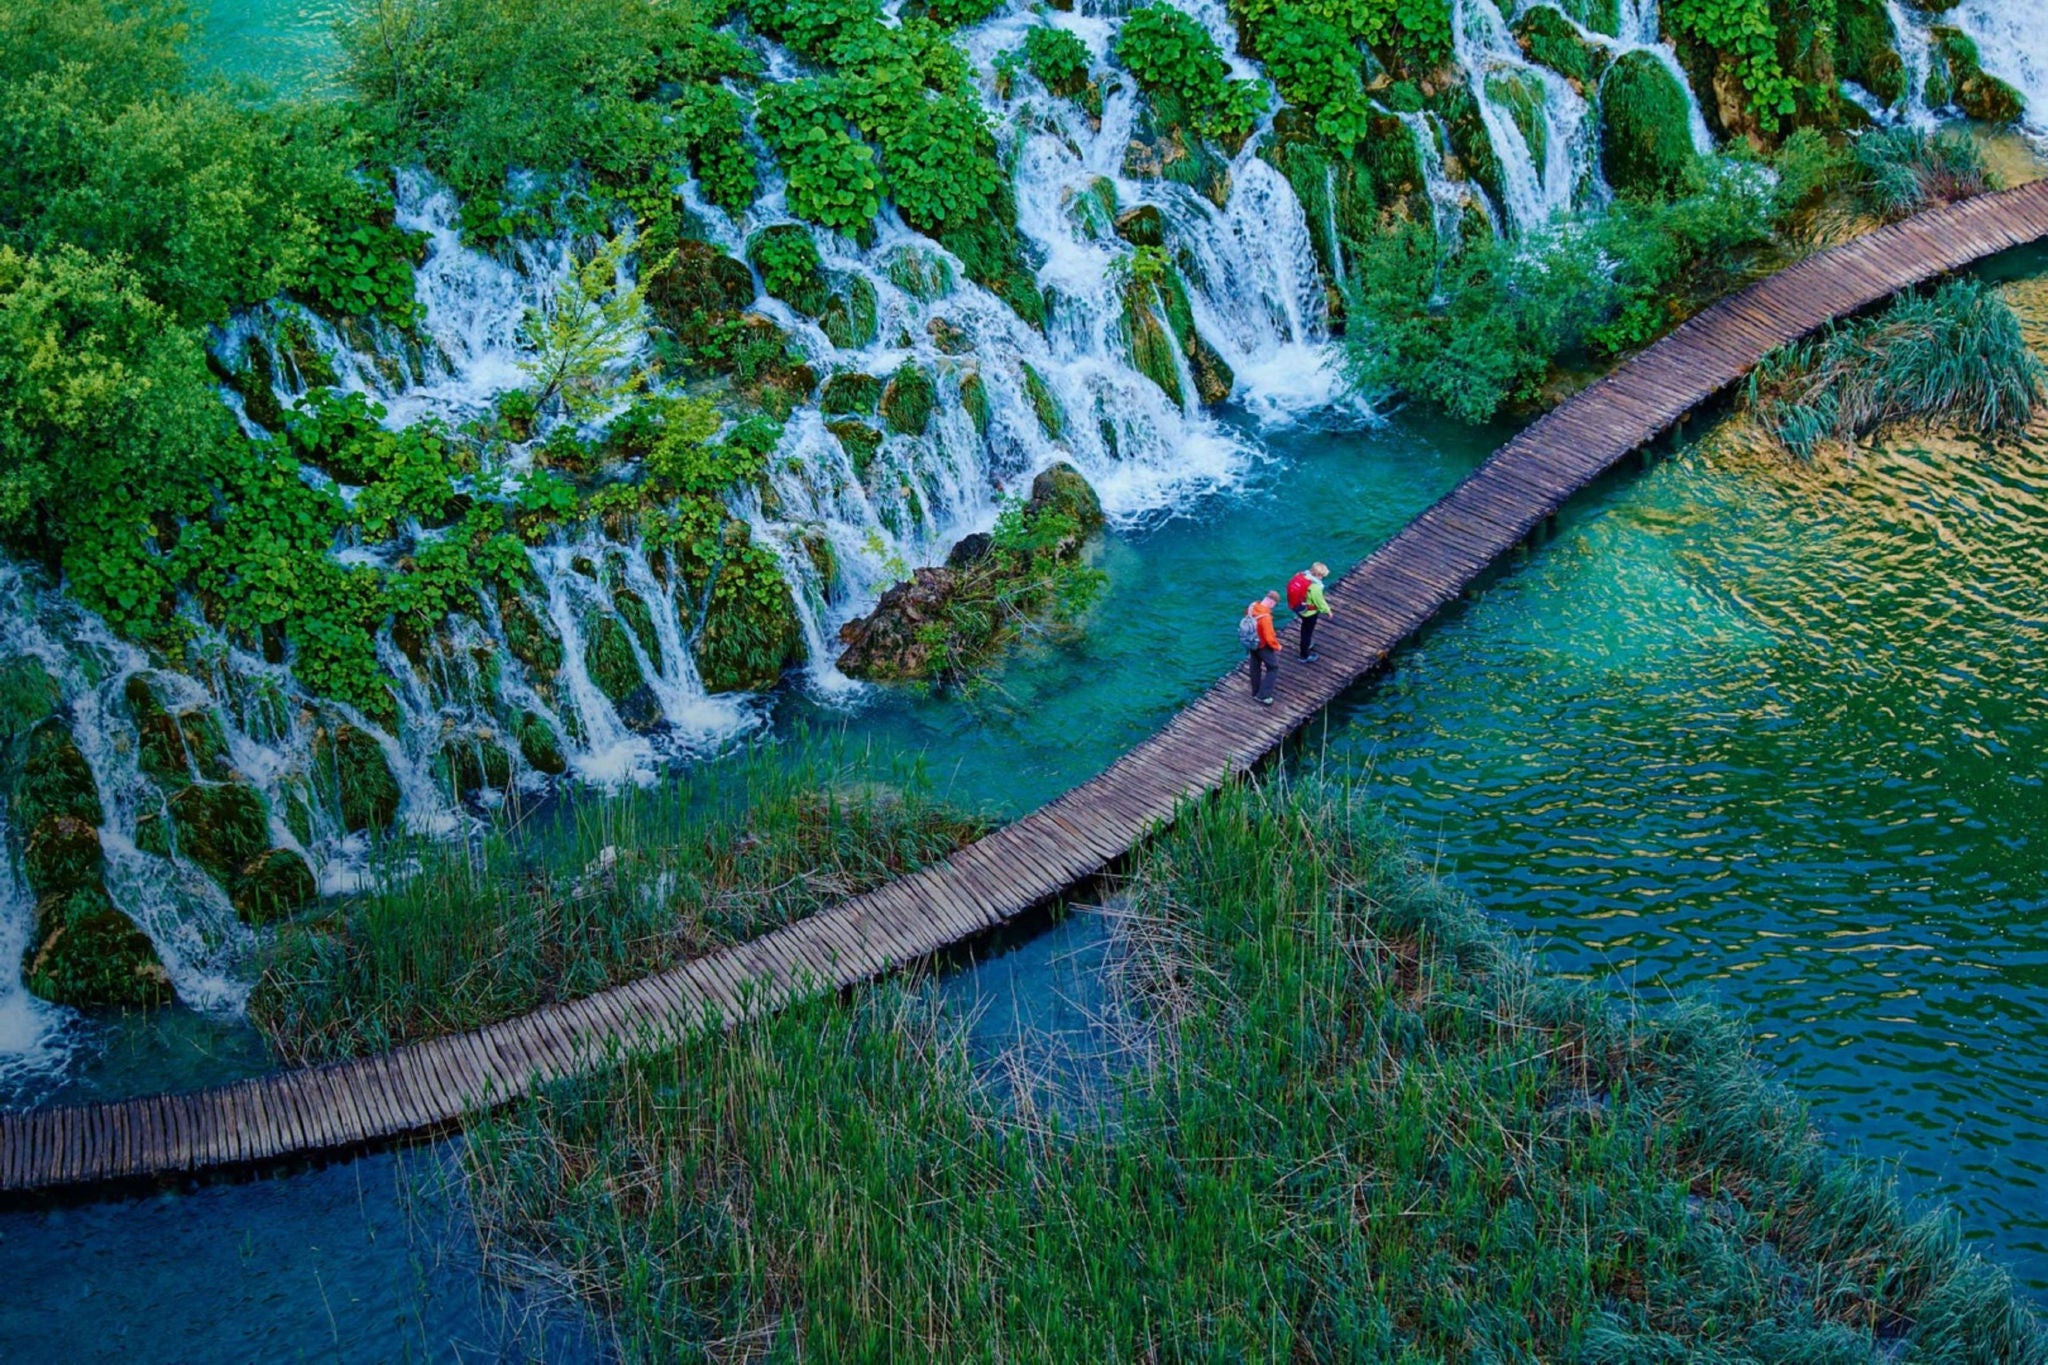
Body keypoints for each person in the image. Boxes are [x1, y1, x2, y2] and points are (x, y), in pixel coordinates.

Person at [1286, 562, 1333, 662]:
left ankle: (1307, 645)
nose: (1322, 578)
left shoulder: (1301, 575)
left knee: (1305, 628)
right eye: (1322, 576)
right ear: (1317, 575)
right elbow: (1319, 602)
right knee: (1306, 632)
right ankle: (1304, 655)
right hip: (1309, 613)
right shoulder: (1315, 587)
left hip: (1298, 608)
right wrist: (1327, 611)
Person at [1243, 590, 1280, 706]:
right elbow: (1269, 637)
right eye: (1274, 604)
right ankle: (1263, 695)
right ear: (1271, 602)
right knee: (1273, 667)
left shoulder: (1252, 606)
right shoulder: (1265, 617)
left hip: (1250, 641)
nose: (1273, 607)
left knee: (1255, 666)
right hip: (1262, 645)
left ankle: (1255, 691)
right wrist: (1277, 646)